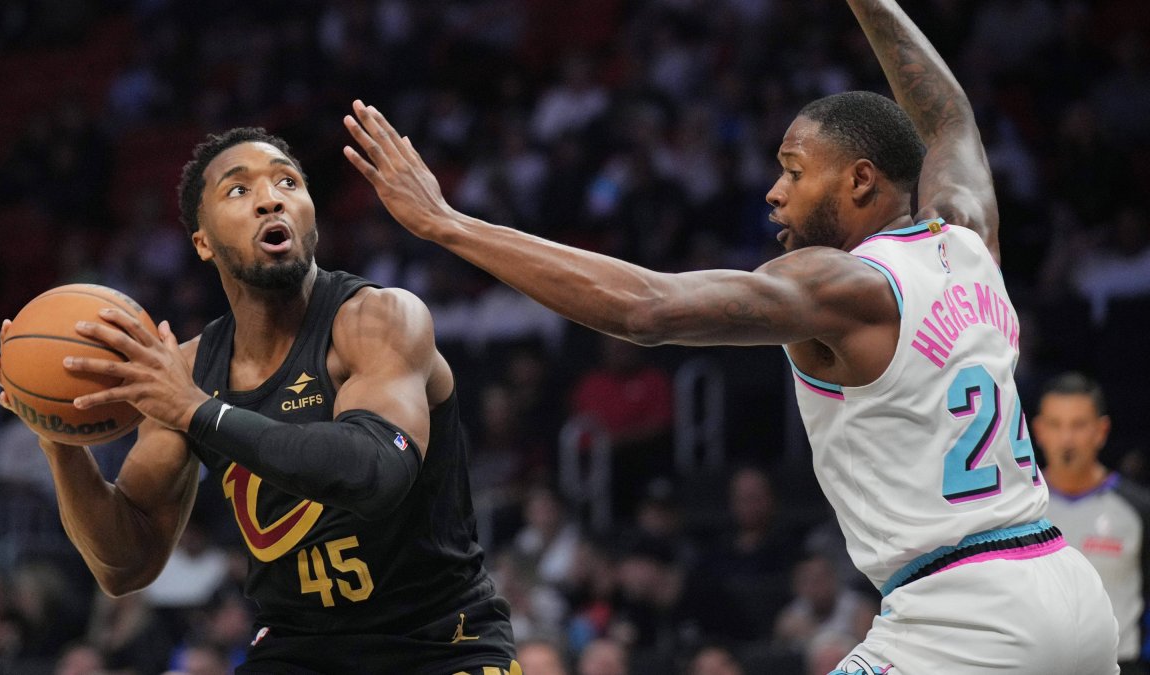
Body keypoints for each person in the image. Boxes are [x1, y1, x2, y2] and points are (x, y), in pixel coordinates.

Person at [341, 0, 1120, 670]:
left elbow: (647, 308)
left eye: (794, 169)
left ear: (858, 180)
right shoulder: (970, 236)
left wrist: (450, 225)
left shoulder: (843, 284)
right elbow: (949, 117)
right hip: (1067, 587)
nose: (775, 192)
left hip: (965, 612)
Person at [0, 127, 519, 674]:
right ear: (202, 241)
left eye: (288, 181)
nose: (271, 197)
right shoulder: (190, 369)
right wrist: (58, 438)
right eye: (238, 190)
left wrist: (199, 412)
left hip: (439, 640)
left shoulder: (378, 319)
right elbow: (127, 566)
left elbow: (376, 473)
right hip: (299, 650)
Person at [1034, 373, 1150, 674]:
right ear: (1038, 430)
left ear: (1101, 430)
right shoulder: (1018, 508)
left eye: (1078, 425)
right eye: (1056, 425)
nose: (1067, 439)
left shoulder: (1137, 508)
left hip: (1122, 666)